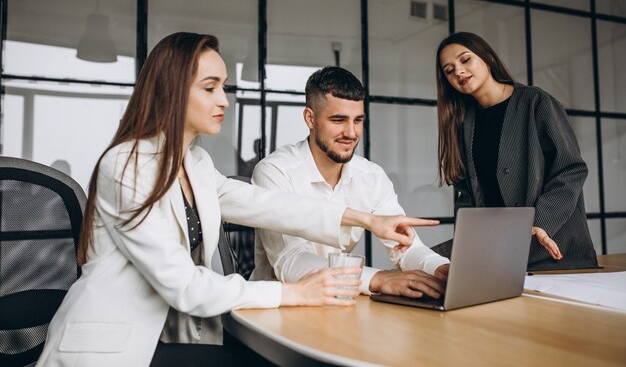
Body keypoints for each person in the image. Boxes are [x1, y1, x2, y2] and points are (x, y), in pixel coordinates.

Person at [35, 33, 424, 367]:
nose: (223, 99)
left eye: (223, 86)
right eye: (210, 87)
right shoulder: (127, 165)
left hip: (164, 340)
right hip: (107, 350)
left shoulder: (195, 162)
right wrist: (295, 293)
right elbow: (184, 285)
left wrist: (367, 220)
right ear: (171, 91)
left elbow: (269, 204)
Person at [250, 66, 450, 299]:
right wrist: (378, 279)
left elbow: (405, 248)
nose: (351, 132)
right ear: (310, 118)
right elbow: (291, 262)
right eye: (339, 120)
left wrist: (441, 269)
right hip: (278, 310)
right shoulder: (275, 171)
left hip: (342, 304)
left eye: (358, 120)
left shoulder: (371, 176)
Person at [435, 31, 598, 271]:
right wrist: (468, 242)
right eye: (449, 70)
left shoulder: (536, 102)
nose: (458, 71)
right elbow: (467, 193)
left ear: (488, 57)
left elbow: (571, 170)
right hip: (497, 245)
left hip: (547, 244)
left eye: (465, 59)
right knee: (424, 265)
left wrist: (541, 222)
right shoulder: (462, 122)